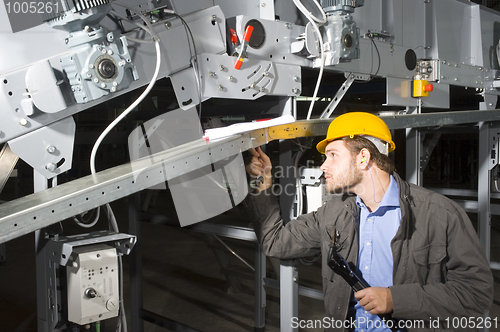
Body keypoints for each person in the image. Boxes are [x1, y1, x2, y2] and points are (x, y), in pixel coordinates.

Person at [244, 112, 493, 332]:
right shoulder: (334, 213)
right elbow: (276, 243)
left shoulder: (440, 214)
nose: (323, 166)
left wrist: (396, 300)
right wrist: (262, 183)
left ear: (363, 158)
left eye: (332, 155)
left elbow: (476, 292)